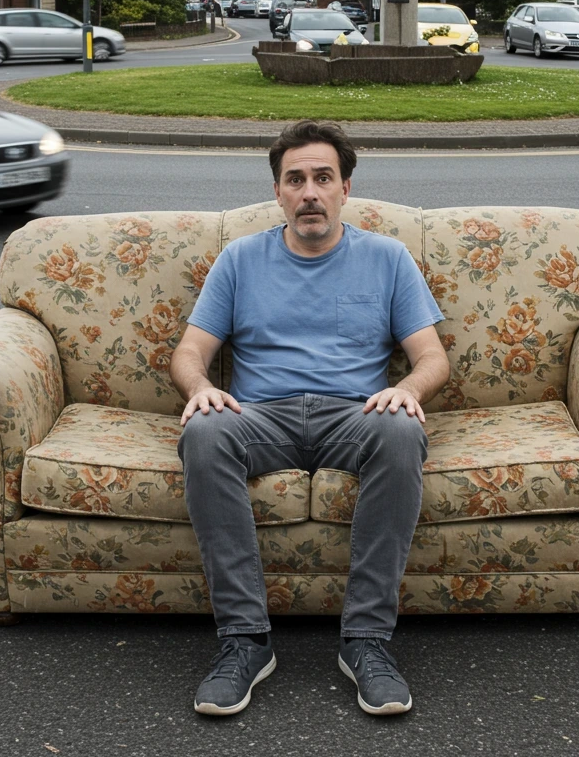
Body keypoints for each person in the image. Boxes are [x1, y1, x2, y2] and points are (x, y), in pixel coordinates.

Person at [171, 120, 449, 718]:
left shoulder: (386, 257)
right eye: (295, 179)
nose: (309, 192)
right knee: (203, 432)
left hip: (355, 414)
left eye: (323, 178)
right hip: (259, 415)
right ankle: (244, 641)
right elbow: (191, 352)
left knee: (402, 431)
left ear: (346, 187)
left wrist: (406, 389)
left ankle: (366, 642)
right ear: (278, 192)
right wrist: (198, 388)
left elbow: (432, 357)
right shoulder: (241, 259)